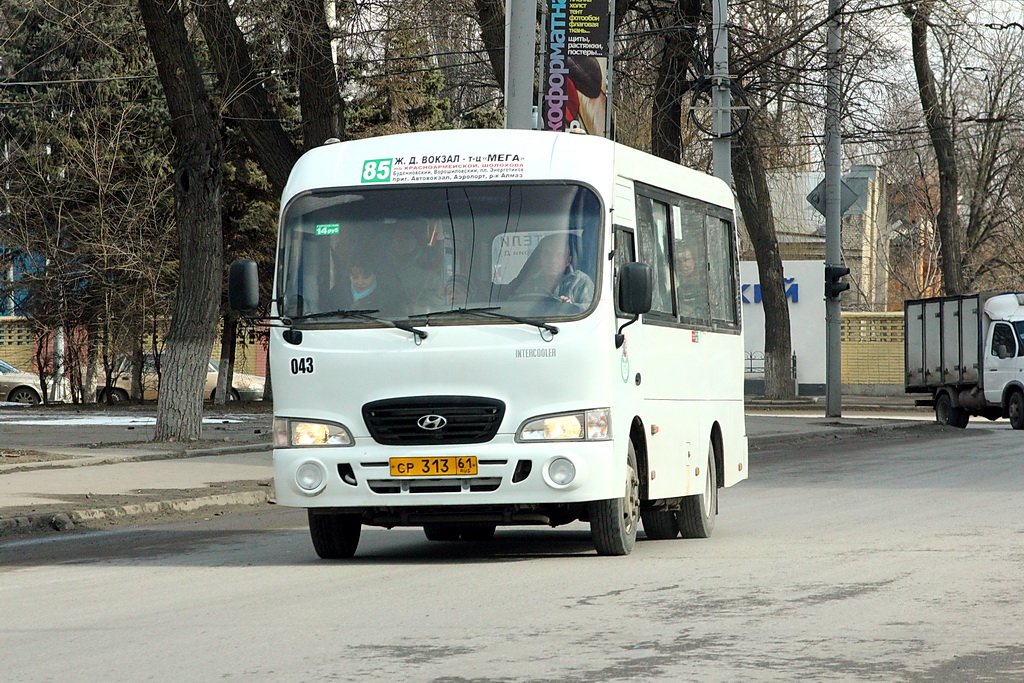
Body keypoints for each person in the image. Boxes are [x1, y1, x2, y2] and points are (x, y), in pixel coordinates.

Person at [505, 233, 594, 306]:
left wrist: (570, 308)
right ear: (541, 257)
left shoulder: (580, 282)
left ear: (568, 260)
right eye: (547, 254)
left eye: (559, 255)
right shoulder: (528, 282)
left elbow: (591, 315)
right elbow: (512, 307)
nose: (553, 260)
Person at [675, 245, 705, 318]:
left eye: (686, 260)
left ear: (694, 261)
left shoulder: (705, 291)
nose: (683, 265)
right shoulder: (674, 293)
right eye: (679, 261)